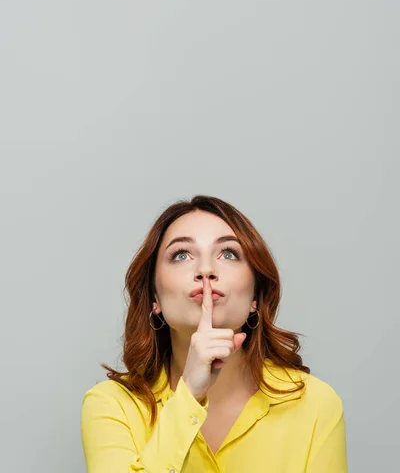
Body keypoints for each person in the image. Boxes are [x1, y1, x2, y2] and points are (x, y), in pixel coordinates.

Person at [80, 195, 348, 472]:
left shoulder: (315, 403)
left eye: (228, 254)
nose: (205, 270)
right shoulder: (111, 405)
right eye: (181, 255)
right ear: (154, 298)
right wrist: (189, 396)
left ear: (256, 294)